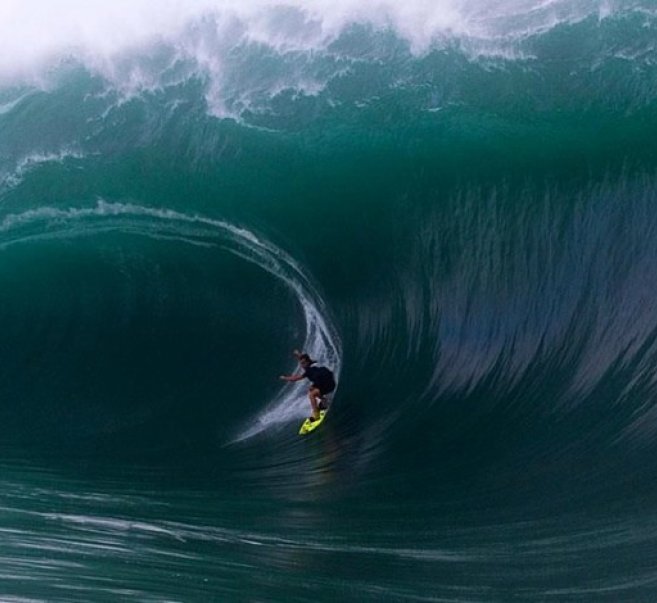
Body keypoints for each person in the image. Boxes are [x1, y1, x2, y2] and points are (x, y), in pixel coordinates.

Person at [280, 349, 336, 422]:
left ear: (307, 362)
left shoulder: (309, 372)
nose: (301, 365)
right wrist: (298, 354)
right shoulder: (312, 363)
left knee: (311, 394)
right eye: (301, 363)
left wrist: (285, 378)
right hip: (331, 382)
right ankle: (324, 400)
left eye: (303, 363)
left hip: (327, 385)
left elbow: (295, 378)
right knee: (312, 388)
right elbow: (305, 359)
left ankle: (316, 415)